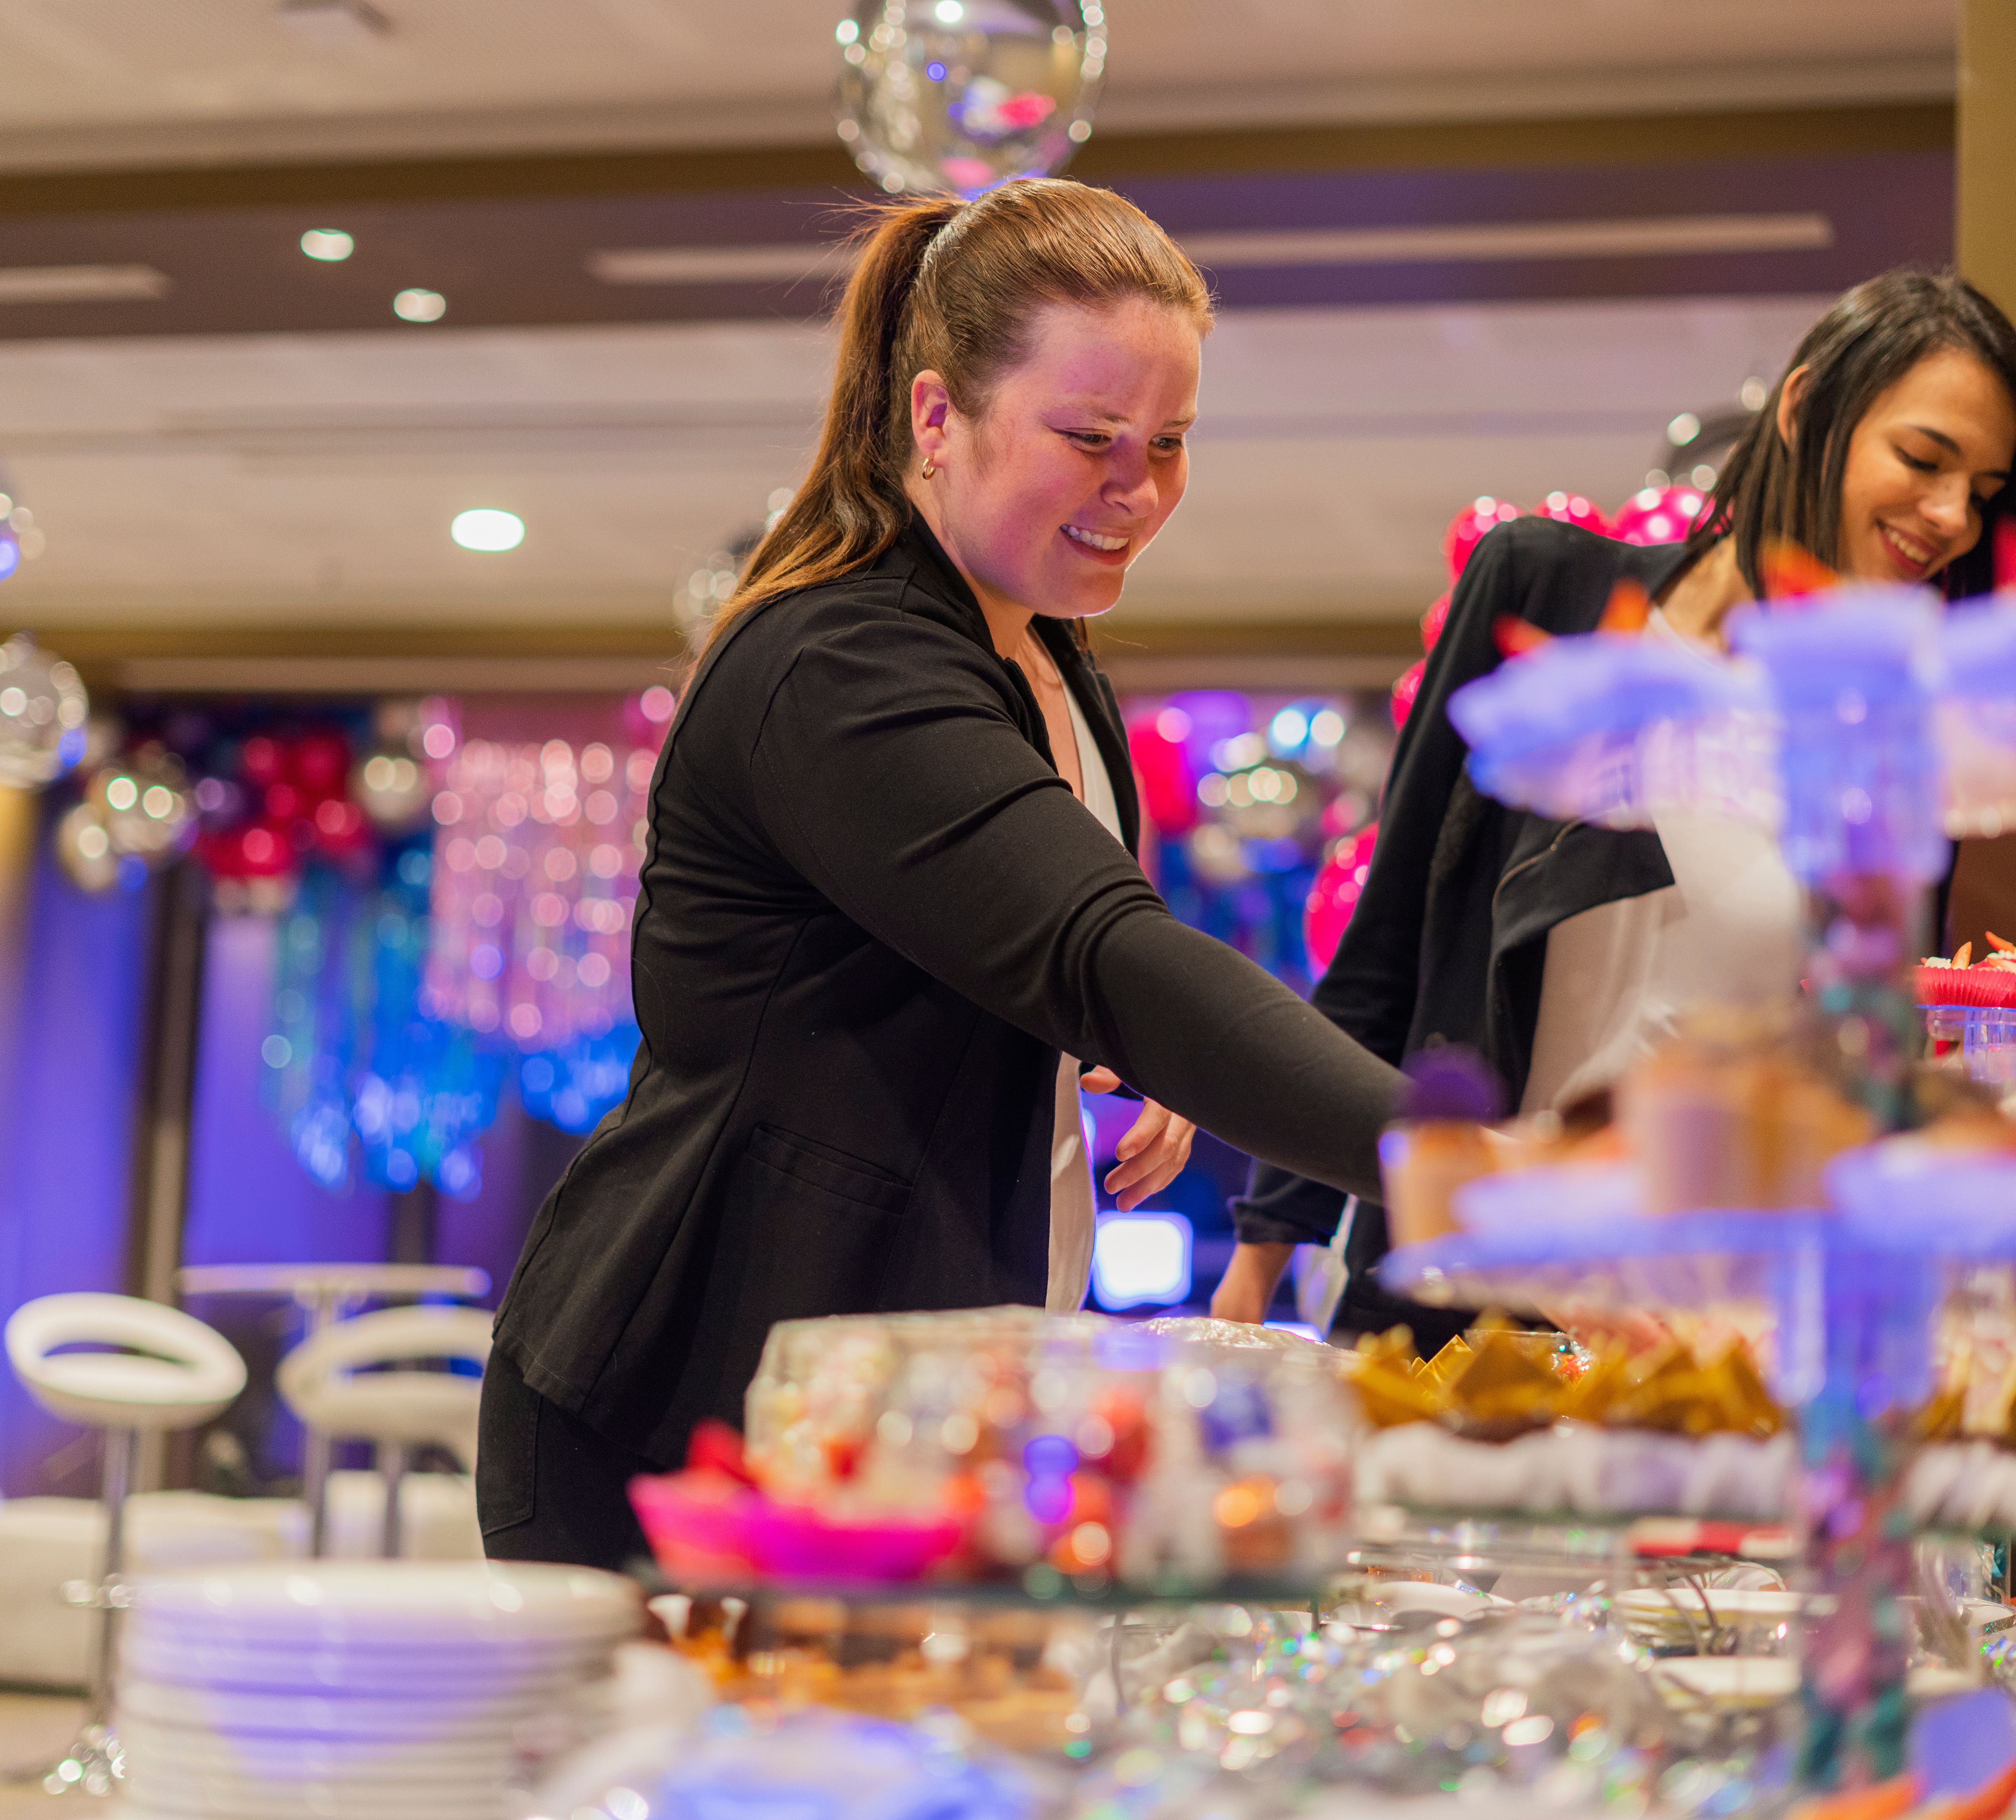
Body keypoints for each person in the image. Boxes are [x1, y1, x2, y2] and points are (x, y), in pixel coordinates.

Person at [480, 179, 1405, 1568]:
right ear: (934, 417)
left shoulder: (1048, 662)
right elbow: (1098, 951)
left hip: (898, 1402)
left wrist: (1095, 1056)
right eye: (1090, 436)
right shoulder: (838, 665)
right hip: (700, 1404)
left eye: (1168, 441)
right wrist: (1464, 1166)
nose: (1137, 488)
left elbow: (1008, 951)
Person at [1217, 266, 2016, 1336]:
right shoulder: (1548, 596)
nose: (1954, 516)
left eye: (1985, 490)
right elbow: (1391, 935)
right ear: (1801, 407)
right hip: (1469, 1313)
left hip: (1724, 1339)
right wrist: (1257, 1267)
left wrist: (1980, 1030)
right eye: (1922, 459)